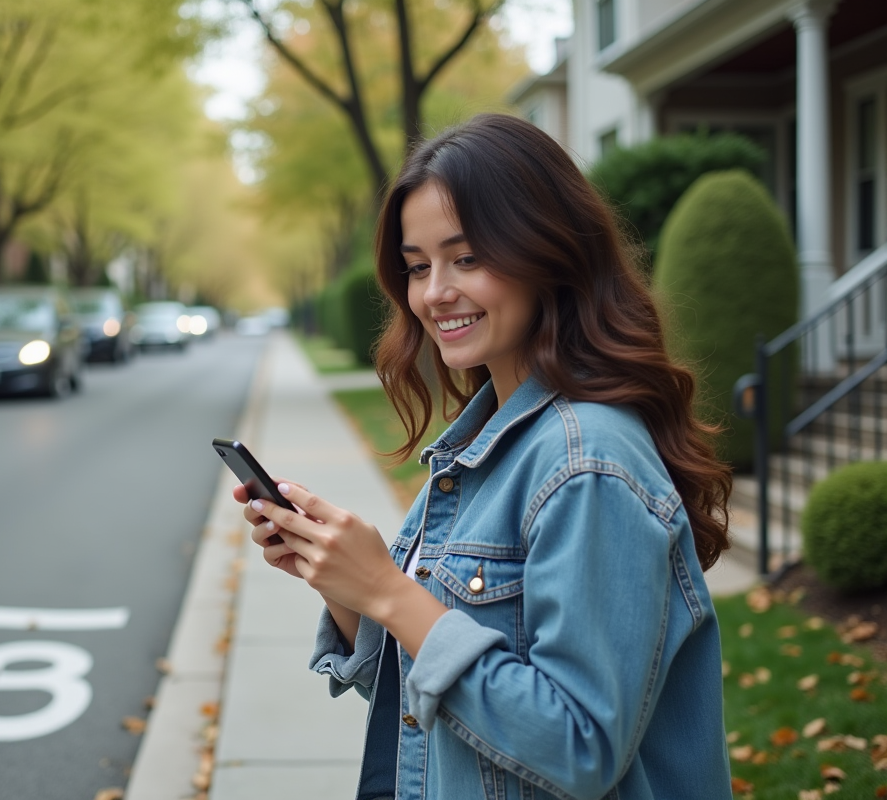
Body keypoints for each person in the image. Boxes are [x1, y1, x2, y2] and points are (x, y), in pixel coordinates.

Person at [233, 113, 734, 800]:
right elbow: (443, 713)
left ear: (548, 252)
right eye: (417, 267)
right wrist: (349, 588)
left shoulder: (585, 462)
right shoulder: (488, 443)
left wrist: (388, 590)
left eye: (467, 258)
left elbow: (579, 747)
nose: (435, 292)